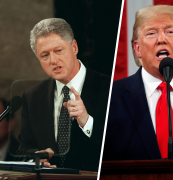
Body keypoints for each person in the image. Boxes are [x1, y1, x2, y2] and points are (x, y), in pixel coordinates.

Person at [104, 5, 173, 160]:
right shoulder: (112, 96)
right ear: (138, 49)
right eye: (151, 33)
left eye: (170, 31)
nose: (161, 39)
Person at [16, 18, 110, 171]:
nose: (53, 60)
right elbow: (24, 150)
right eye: (45, 55)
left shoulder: (109, 88)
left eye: (58, 51)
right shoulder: (32, 96)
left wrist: (87, 122)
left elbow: (119, 145)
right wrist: (36, 158)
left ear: (74, 47)